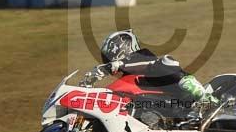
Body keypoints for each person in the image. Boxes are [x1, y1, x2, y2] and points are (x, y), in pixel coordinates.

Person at [86, 29, 216, 104]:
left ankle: (198, 91)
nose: (106, 60)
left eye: (108, 56)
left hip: (177, 93)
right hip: (162, 106)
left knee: (162, 63)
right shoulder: (126, 79)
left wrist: (113, 66)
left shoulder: (142, 57)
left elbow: (145, 62)